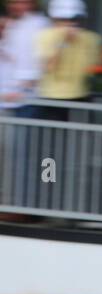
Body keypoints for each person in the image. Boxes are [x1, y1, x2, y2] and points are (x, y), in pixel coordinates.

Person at [0, 0, 50, 219]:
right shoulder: (10, 25)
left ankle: (21, 207)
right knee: (9, 156)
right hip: (7, 100)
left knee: (25, 158)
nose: (16, 5)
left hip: (27, 100)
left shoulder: (39, 24)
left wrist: (24, 87)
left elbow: (40, 63)